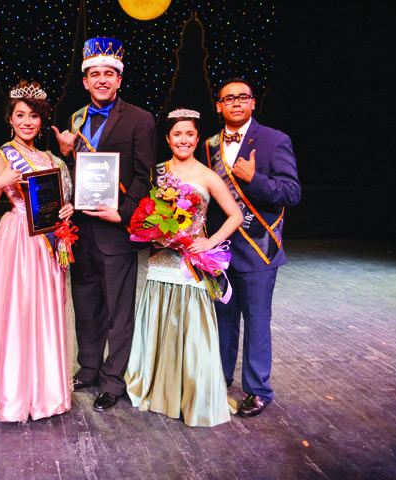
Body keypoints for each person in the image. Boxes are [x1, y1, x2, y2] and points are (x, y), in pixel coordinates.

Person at [52, 37, 157, 411]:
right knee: (86, 303)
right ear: (84, 80)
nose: (101, 80)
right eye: (94, 73)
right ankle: (89, 368)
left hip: (116, 230)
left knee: (118, 309)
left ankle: (114, 380)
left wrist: (125, 213)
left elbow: (146, 176)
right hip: (82, 229)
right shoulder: (76, 119)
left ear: (119, 80)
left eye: (108, 74)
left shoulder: (141, 119)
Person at [125, 108, 243, 427]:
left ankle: (192, 394)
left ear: (196, 137)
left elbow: (235, 215)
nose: (184, 139)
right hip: (161, 261)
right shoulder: (157, 172)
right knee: (160, 323)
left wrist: (210, 242)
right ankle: (158, 389)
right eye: (177, 134)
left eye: (190, 134)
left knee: (192, 331)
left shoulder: (208, 175)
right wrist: (154, 230)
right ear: (168, 138)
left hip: (191, 264)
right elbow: (145, 213)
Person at [0, 81, 75, 422]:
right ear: (10, 119)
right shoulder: (4, 155)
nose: (27, 122)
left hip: (48, 243)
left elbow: (62, 201)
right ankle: (16, 395)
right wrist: (2, 181)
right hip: (19, 237)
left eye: (34, 116)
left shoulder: (52, 159)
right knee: (19, 312)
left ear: (42, 120)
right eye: (20, 115)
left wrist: (67, 210)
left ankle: (47, 393)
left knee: (47, 312)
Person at [204, 77, 301, 417]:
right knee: (223, 321)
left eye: (242, 97)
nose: (235, 103)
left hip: (259, 249)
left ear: (253, 103)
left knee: (257, 322)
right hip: (220, 250)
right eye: (228, 98)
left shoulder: (275, 140)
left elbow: (291, 193)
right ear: (218, 105)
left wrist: (253, 180)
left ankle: (258, 390)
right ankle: (219, 378)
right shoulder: (208, 146)